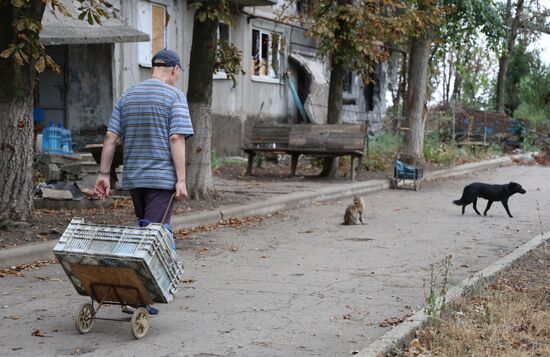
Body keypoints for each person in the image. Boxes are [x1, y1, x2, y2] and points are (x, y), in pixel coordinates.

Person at [94, 49, 193, 316]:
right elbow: (176, 139)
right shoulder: (174, 96)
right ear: (174, 70)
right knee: (153, 238)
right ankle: (140, 296)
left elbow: (111, 137)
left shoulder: (127, 96)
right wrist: (181, 180)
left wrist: (104, 174)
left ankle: (138, 292)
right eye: (178, 73)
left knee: (146, 234)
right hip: (161, 180)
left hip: (135, 179)